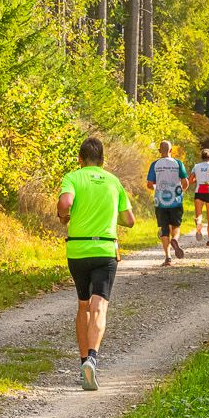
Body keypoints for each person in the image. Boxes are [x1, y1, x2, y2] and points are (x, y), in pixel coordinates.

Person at [58, 137, 135, 390]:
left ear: (80, 159)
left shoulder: (73, 177)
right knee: (99, 305)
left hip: (77, 248)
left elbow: (66, 204)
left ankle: (82, 363)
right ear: (103, 160)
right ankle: (92, 358)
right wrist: (111, 218)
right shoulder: (114, 181)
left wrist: (64, 215)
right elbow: (130, 220)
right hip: (104, 247)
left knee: (83, 305)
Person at [144, 139, 188, 266]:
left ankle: (168, 257)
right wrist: (181, 192)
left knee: (164, 228)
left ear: (159, 151)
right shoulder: (178, 163)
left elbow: (149, 184)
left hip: (160, 202)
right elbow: (185, 182)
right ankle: (174, 239)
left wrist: (156, 190)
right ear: (171, 150)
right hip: (176, 201)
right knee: (176, 226)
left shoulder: (155, 164)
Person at [191, 145, 209, 246]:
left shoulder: (196, 166)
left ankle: (199, 223)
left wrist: (197, 180)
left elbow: (190, 180)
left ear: (201, 157)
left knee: (199, 215)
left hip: (199, 192)